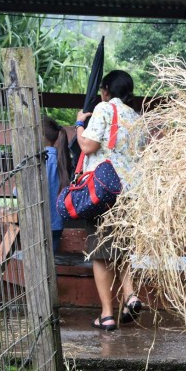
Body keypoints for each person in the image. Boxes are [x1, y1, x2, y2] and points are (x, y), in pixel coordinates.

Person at [75, 70, 143, 331]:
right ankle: (130, 296)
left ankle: (106, 315)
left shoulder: (103, 108)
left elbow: (87, 147)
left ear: (105, 90)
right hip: (130, 193)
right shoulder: (136, 118)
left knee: (102, 252)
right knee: (123, 247)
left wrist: (80, 123)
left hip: (103, 191)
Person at [42, 115, 72, 253]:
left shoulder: (44, 161)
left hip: (41, 223)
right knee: (49, 264)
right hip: (56, 224)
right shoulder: (60, 158)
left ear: (40, 135)